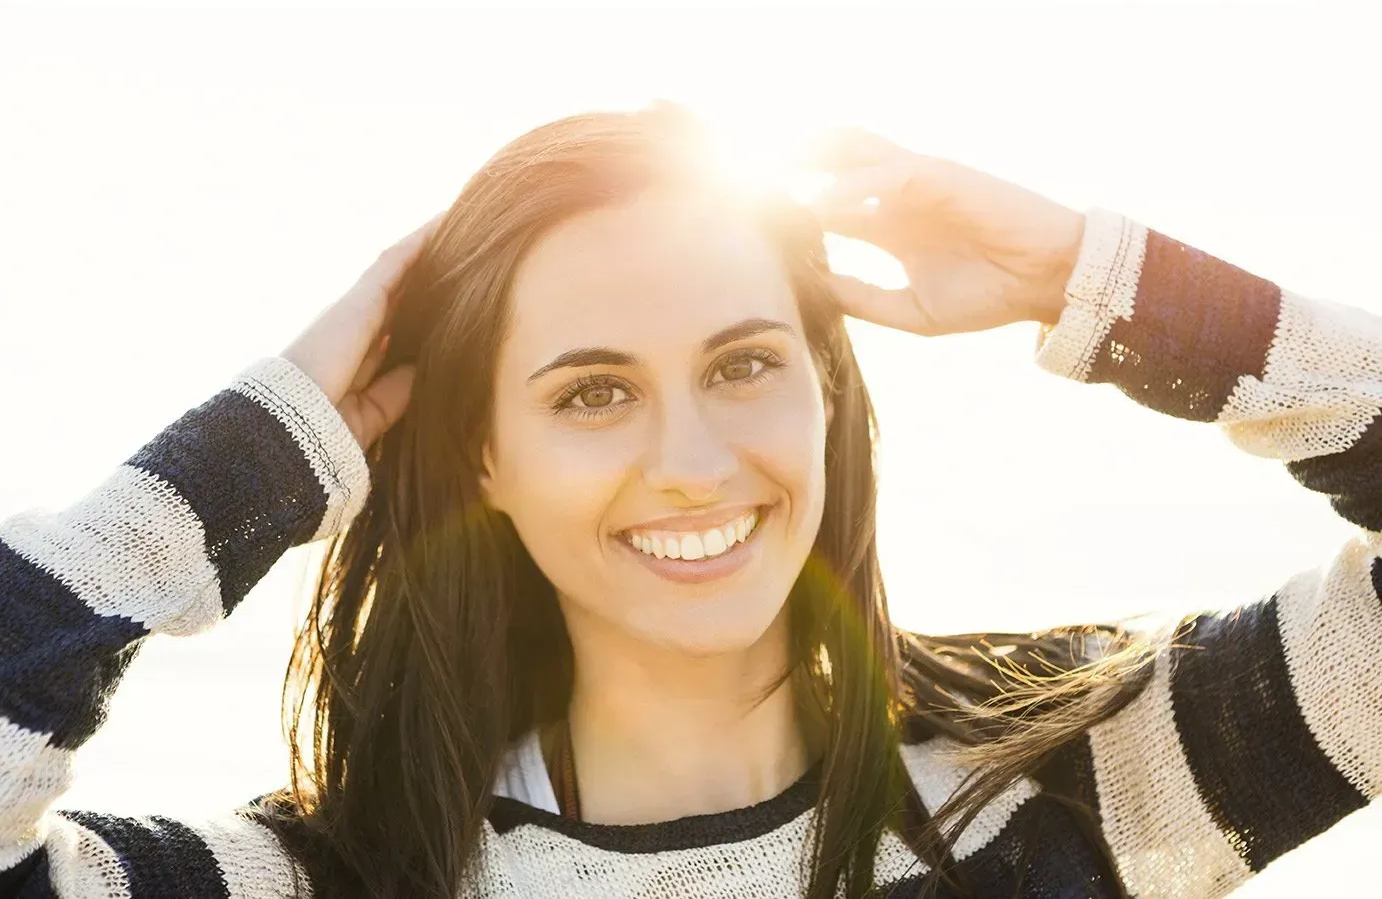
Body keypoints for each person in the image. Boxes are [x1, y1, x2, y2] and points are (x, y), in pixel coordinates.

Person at [1, 103, 1378, 899]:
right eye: (592, 392)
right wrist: (262, 447)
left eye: (743, 364)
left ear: (826, 391)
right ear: (479, 456)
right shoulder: (326, 881)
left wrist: (1099, 279)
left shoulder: (1081, 779)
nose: (693, 461)